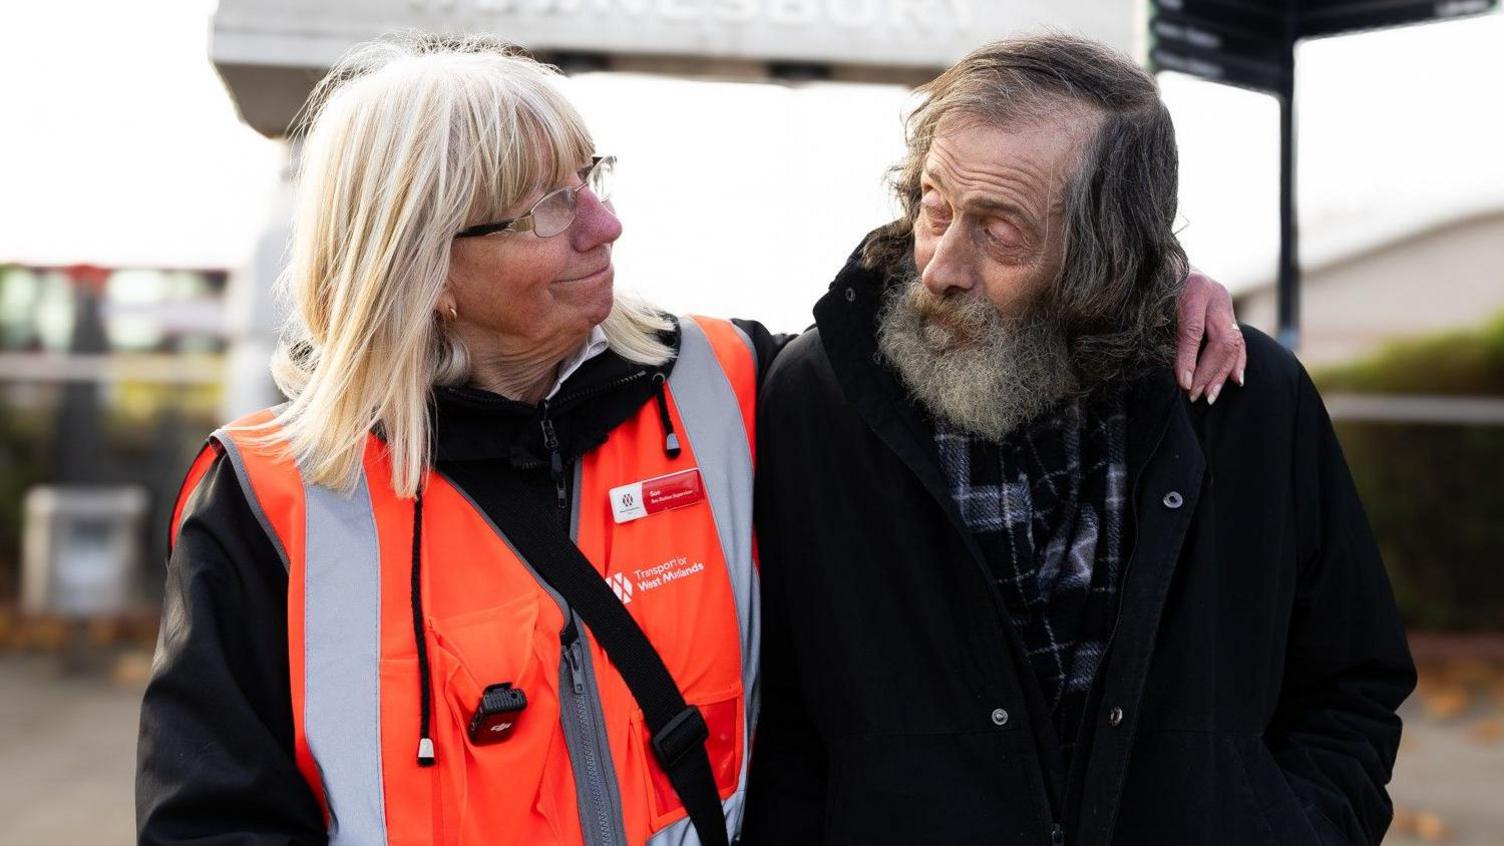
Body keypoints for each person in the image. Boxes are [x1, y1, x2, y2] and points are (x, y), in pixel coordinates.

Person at [136, 33, 1242, 846]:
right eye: (541, 210)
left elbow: (969, 320)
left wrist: (1143, 287)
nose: (604, 224)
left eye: (592, 181)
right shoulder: (268, 499)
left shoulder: (731, 385)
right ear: (419, 269)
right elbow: (211, 823)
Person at [743, 34, 1415, 845]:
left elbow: (1350, 682)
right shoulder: (817, 397)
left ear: (1108, 258)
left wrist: (1299, 830)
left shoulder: (1244, 398)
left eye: (1001, 232)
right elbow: (772, 711)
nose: (942, 267)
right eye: (934, 206)